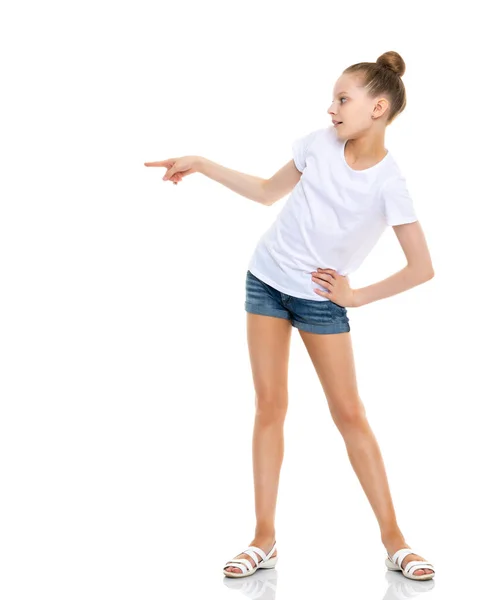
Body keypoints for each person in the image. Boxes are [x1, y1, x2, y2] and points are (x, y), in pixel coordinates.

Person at [144, 50, 436, 582]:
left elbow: (422, 268)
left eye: (342, 99)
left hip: (321, 301)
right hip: (266, 281)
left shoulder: (389, 182)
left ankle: (395, 540)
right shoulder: (318, 144)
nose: (331, 109)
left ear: (378, 107)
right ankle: (263, 538)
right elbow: (264, 193)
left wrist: (356, 297)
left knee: (349, 414)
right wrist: (203, 164)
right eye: (332, 99)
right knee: (270, 406)